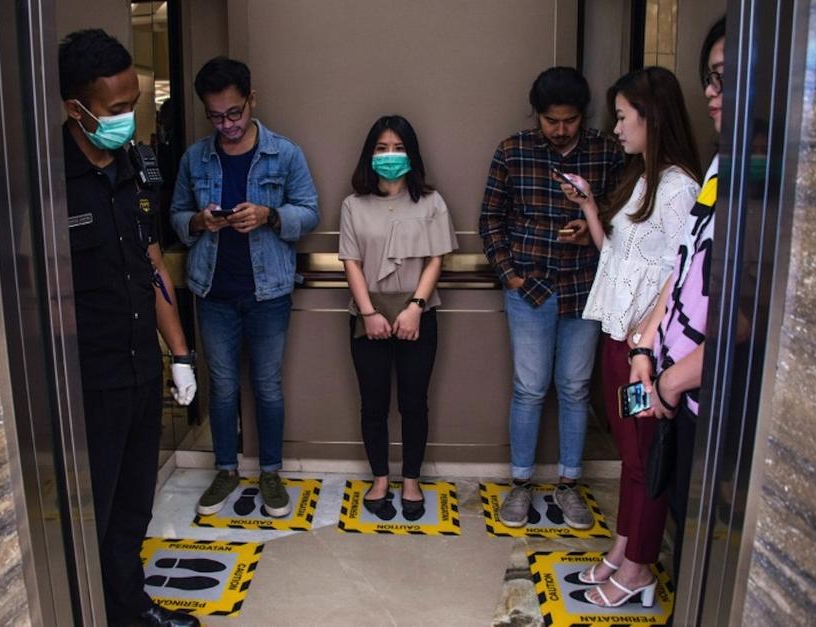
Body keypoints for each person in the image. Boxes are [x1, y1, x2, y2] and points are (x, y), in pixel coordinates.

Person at [58, 29, 199, 627]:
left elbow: (150, 263)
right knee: (94, 508)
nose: (127, 119)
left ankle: (129, 611)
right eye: (115, 110)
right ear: (77, 108)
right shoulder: (44, 182)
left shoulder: (138, 166)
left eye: (132, 105)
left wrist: (181, 354)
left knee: (134, 508)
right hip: (88, 382)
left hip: (142, 368)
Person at [556, 66, 701, 607]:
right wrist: (592, 208)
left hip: (647, 354)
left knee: (643, 462)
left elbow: (678, 279)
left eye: (622, 117)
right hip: (620, 340)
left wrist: (643, 343)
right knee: (630, 457)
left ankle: (638, 567)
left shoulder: (683, 188)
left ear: (651, 116)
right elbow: (616, 255)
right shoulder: (644, 179)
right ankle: (624, 548)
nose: (615, 128)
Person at [169, 57, 319, 519]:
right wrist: (198, 220)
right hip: (212, 291)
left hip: (268, 292)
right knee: (224, 388)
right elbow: (175, 217)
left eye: (234, 113)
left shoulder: (284, 153)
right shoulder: (195, 157)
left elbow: (309, 211)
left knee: (268, 387)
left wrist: (269, 216)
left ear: (252, 100)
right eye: (216, 116)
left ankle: (270, 472)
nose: (227, 125)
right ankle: (226, 468)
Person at [478, 67, 624, 530]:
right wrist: (509, 276)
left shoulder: (607, 151)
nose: (561, 129)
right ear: (536, 115)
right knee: (528, 388)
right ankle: (520, 486)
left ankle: (568, 484)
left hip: (585, 288)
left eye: (570, 120)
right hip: (530, 289)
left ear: (583, 115)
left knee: (576, 389)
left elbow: (626, 215)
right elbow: (490, 220)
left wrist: (594, 226)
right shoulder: (513, 150)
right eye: (551, 120)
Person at [627, 15, 728, 590]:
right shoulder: (722, 165)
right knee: (684, 524)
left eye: (722, 78)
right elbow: (683, 266)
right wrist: (646, 348)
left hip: (705, 396)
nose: (710, 93)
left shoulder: (763, 185)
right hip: (675, 381)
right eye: (708, 79)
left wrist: (670, 383)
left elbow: (742, 323)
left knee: (709, 545)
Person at [338, 115, 458, 520]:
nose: (390, 156)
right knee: (372, 404)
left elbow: (436, 258)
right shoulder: (352, 205)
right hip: (367, 313)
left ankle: (410, 479)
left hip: (417, 313)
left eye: (398, 147)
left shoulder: (431, 201)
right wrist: (369, 312)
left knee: (413, 403)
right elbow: (351, 263)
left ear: (412, 153)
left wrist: (415, 308)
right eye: (381, 148)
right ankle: (379, 478)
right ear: (370, 154)